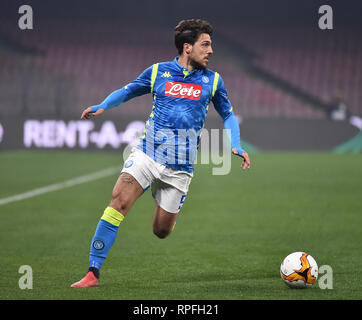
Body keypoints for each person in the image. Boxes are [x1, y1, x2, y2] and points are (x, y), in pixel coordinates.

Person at [71, 19, 250, 288]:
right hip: (147, 155)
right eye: (206, 44)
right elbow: (128, 90)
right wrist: (103, 105)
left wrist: (235, 143)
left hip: (180, 168)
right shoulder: (158, 72)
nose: (211, 51)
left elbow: (227, 114)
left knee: (161, 231)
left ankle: (163, 201)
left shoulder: (213, 81)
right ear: (187, 48)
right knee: (117, 201)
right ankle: (93, 272)